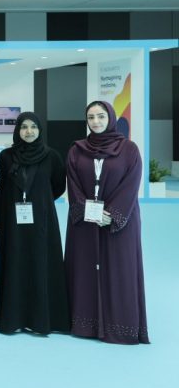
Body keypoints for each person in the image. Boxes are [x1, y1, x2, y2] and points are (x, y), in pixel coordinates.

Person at [64, 101, 149, 344]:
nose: (96, 121)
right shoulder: (76, 150)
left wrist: (112, 214)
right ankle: (85, 325)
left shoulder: (129, 149)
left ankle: (120, 326)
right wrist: (87, 211)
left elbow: (131, 184)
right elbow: (73, 184)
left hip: (120, 221)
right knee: (84, 269)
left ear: (111, 118)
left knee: (119, 269)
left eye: (101, 116)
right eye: (91, 117)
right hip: (85, 220)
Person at [0, 111, 69, 335]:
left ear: (40, 130)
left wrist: (40, 200)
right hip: (12, 221)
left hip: (42, 221)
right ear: (17, 130)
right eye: (24, 127)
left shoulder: (52, 156)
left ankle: (41, 320)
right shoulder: (6, 157)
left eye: (33, 127)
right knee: (14, 262)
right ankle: (13, 318)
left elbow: (58, 186)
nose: (29, 131)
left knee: (40, 262)